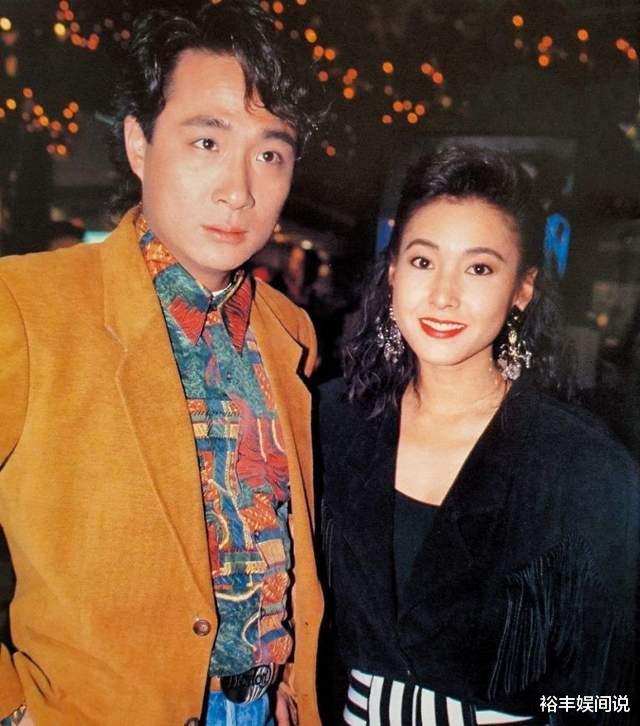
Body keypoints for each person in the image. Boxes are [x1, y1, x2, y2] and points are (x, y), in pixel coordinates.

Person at [0, 2, 324, 724]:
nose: (239, 190)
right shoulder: (26, 306)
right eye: (207, 142)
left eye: (269, 154)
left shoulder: (290, 332)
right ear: (139, 145)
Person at [318, 146, 638, 725]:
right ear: (393, 274)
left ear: (523, 288)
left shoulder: (583, 467)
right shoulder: (333, 423)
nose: (443, 295)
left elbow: (613, 696)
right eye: (423, 261)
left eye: (480, 268)